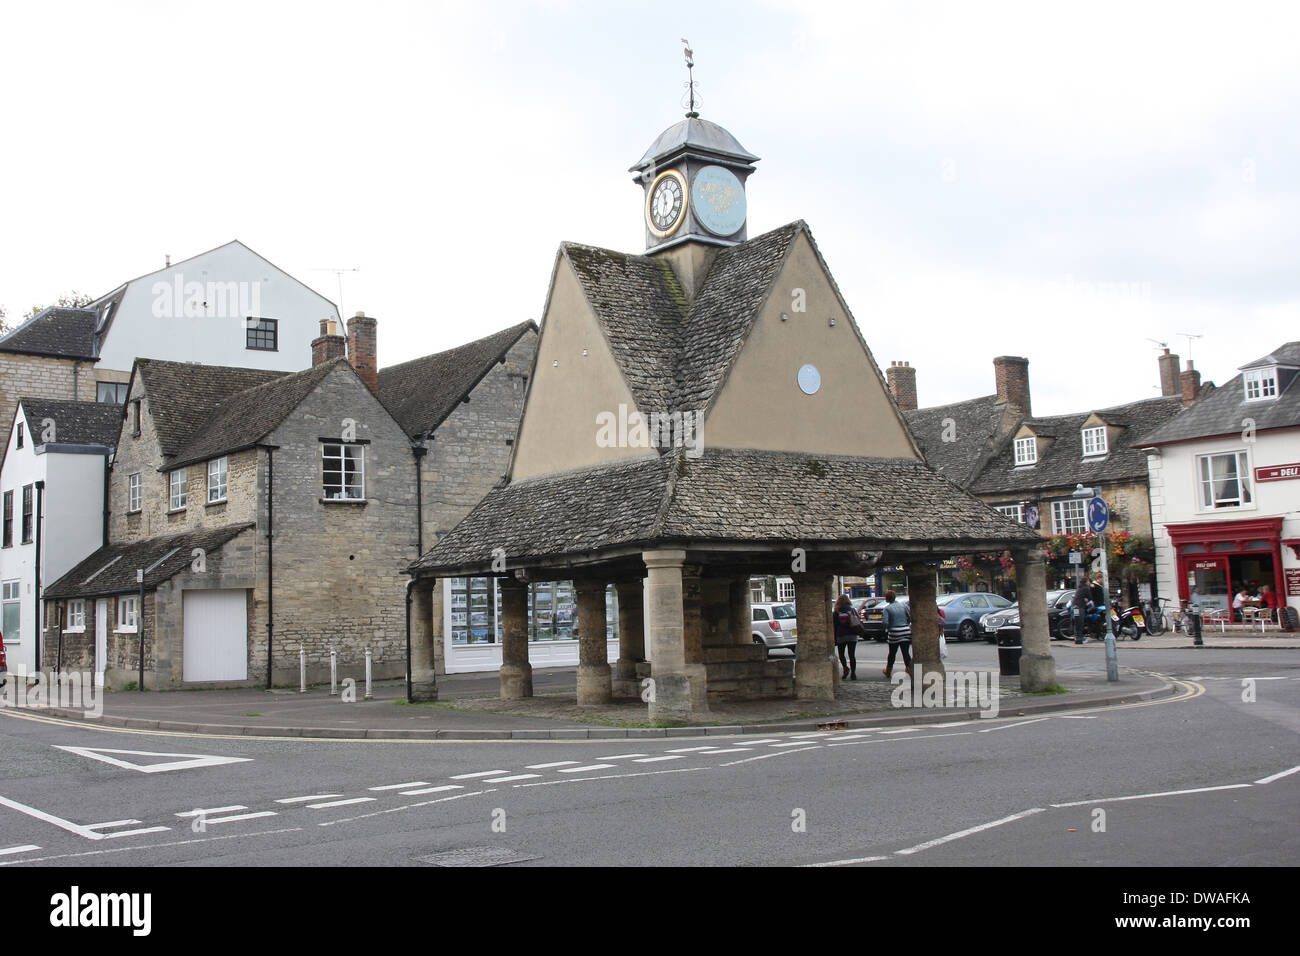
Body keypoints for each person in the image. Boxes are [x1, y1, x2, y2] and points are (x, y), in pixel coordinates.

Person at [881, 590, 912, 679]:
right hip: (905, 630)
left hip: (894, 632)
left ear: (887, 598)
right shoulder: (904, 606)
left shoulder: (887, 609)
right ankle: (910, 670)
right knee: (905, 653)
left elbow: (885, 622)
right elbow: (909, 617)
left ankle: (888, 670)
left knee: (892, 653)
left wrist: (886, 629)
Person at [833, 595, 863, 680]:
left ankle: (845, 668)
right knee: (852, 655)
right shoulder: (852, 610)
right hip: (852, 634)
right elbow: (858, 620)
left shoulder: (836, 611)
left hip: (841, 635)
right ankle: (853, 673)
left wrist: (834, 637)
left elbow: (834, 625)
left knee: (841, 654)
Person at [1071, 576, 1091, 645]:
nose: (1089, 582)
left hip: (1075, 607)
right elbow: (1090, 597)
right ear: (1086, 582)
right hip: (1080, 606)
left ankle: (1077, 637)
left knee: (1077, 622)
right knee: (1081, 622)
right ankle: (1080, 639)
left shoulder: (1079, 588)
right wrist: (1086, 599)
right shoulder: (1086, 588)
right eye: (1088, 581)